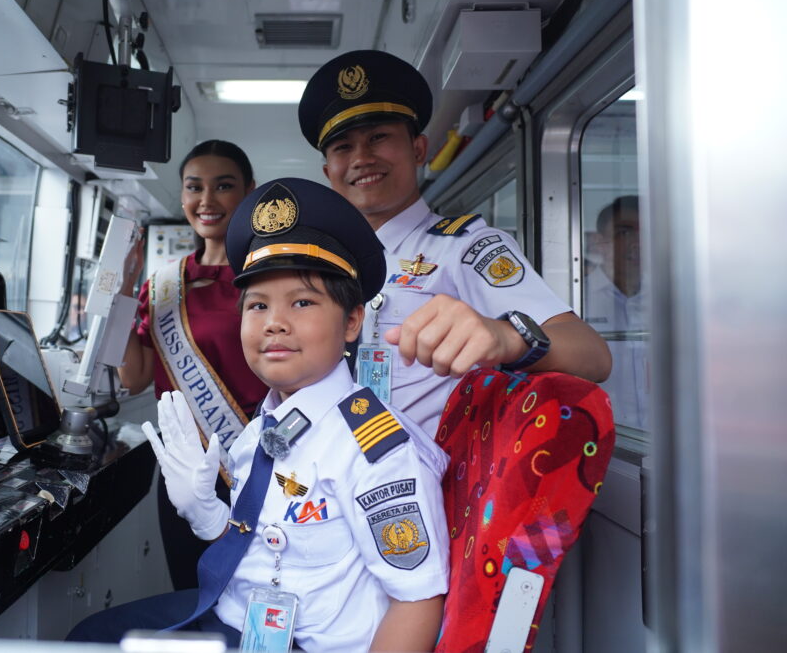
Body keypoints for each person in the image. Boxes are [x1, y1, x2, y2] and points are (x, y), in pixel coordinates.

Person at [69, 178, 449, 652]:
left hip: (303, 643)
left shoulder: (376, 450)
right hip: (240, 618)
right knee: (89, 636)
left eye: (303, 302)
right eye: (258, 305)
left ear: (352, 322)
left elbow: (418, 600)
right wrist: (209, 518)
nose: (274, 321)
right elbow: (272, 539)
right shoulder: (265, 426)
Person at [297, 49, 612, 436]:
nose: (361, 157)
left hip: (426, 483)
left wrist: (507, 337)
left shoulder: (466, 248)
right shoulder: (323, 264)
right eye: (343, 147)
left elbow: (593, 355)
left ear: (418, 150)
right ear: (330, 172)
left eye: (378, 137)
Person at [117, 140, 268, 590]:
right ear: (182, 197)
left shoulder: (268, 276)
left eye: (223, 186)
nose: (206, 200)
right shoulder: (162, 285)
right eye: (194, 187)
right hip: (184, 470)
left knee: (255, 590)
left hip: (256, 463)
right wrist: (123, 292)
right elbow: (134, 376)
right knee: (190, 589)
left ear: (248, 192)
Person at [584, 195, 648, 429]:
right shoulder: (576, 300)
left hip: (658, 445)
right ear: (601, 243)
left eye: (645, 232)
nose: (637, 243)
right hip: (598, 443)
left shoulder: (668, 299)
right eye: (625, 232)